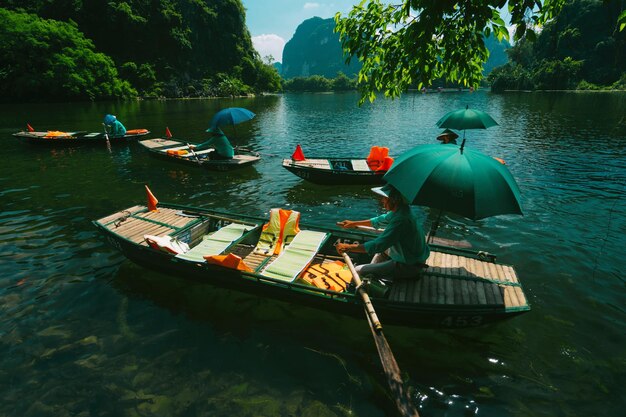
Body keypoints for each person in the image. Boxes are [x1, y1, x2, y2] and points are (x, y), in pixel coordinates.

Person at [336, 184, 430, 280]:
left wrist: (348, 247)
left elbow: (379, 245)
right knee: (381, 250)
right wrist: (353, 223)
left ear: (393, 200)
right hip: (413, 256)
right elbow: (379, 220)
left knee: (358, 270)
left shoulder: (401, 220)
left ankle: (374, 278)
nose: (382, 201)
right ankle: (375, 269)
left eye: (384, 198)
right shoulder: (402, 211)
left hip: (408, 266)